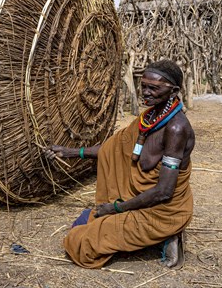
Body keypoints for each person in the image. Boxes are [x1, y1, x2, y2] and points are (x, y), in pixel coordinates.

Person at [45, 59, 194, 269]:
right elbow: (112, 150)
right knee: (82, 222)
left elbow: (164, 192)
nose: (146, 92)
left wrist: (116, 208)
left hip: (162, 209)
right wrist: (70, 152)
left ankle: (168, 234)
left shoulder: (176, 129)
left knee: (82, 245)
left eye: (154, 88)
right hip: (139, 201)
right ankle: (155, 236)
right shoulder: (148, 118)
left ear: (174, 91)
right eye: (143, 86)